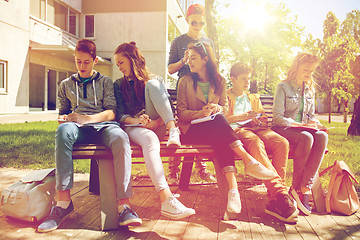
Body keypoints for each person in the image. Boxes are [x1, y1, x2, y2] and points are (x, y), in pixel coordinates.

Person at [37, 39, 141, 233]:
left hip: (104, 127)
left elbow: (111, 113)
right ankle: (62, 204)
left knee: (120, 137)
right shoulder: (65, 85)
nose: (82, 66)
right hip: (78, 131)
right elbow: (64, 113)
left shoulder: (106, 82)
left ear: (95, 60)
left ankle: (124, 207)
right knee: (63, 131)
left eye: (86, 62)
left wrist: (86, 118)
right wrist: (65, 119)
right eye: (78, 61)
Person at [177, 42, 278, 215]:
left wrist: (216, 109)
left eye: (193, 58)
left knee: (219, 130)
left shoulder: (219, 81)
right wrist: (201, 113)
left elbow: (223, 107)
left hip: (215, 129)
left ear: (205, 59)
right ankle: (248, 163)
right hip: (191, 131)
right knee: (219, 124)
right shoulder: (185, 81)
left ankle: (233, 190)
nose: (189, 62)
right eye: (189, 58)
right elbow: (181, 113)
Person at [113, 42, 195, 219]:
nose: (118, 67)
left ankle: (173, 130)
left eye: (121, 63)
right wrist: (138, 121)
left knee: (153, 84)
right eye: (117, 64)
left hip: (157, 125)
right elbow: (119, 115)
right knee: (150, 139)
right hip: (133, 127)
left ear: (131, 59)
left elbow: (168, 109)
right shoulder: (118, 85)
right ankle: (166, 199)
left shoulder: (153, 80)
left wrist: (157, 123)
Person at [225, 62, 299, 223]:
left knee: (282, 142)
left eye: (249, 79)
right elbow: (222, 120)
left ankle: (275, 199)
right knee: (255, 142)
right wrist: (241, 117)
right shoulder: (225, 97)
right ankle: (280, 193)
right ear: (233, 79)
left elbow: (263, 119)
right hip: (238, 131)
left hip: (255, 129)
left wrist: (258, 121)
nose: (247, 82)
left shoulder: (253, 98)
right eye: (244, 79)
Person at [272, 52, 328, 216]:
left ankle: (305, 187)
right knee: (306, 137)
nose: (309, 73)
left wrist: (315, 123)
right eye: (306, 69)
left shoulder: (310, 89)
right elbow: (277, 118)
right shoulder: (283, 87)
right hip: (284, 129)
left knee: (322, 136)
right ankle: (296, 187)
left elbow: (311, 115)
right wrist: (301, 125)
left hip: (303, 130)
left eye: (311, 71)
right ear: (296, 67)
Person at [167, 3, 215, 184]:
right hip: (184, 88)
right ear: (187, 20)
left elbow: (212, 67)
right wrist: (183, 60)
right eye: (194, 22)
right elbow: (170, 69)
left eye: (201, 23)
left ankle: (202, 169)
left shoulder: (208, 42)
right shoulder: (178, 41)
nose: (197, 26)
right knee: (181, 125)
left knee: (203, 124)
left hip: (203, 87)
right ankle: (173, 171)